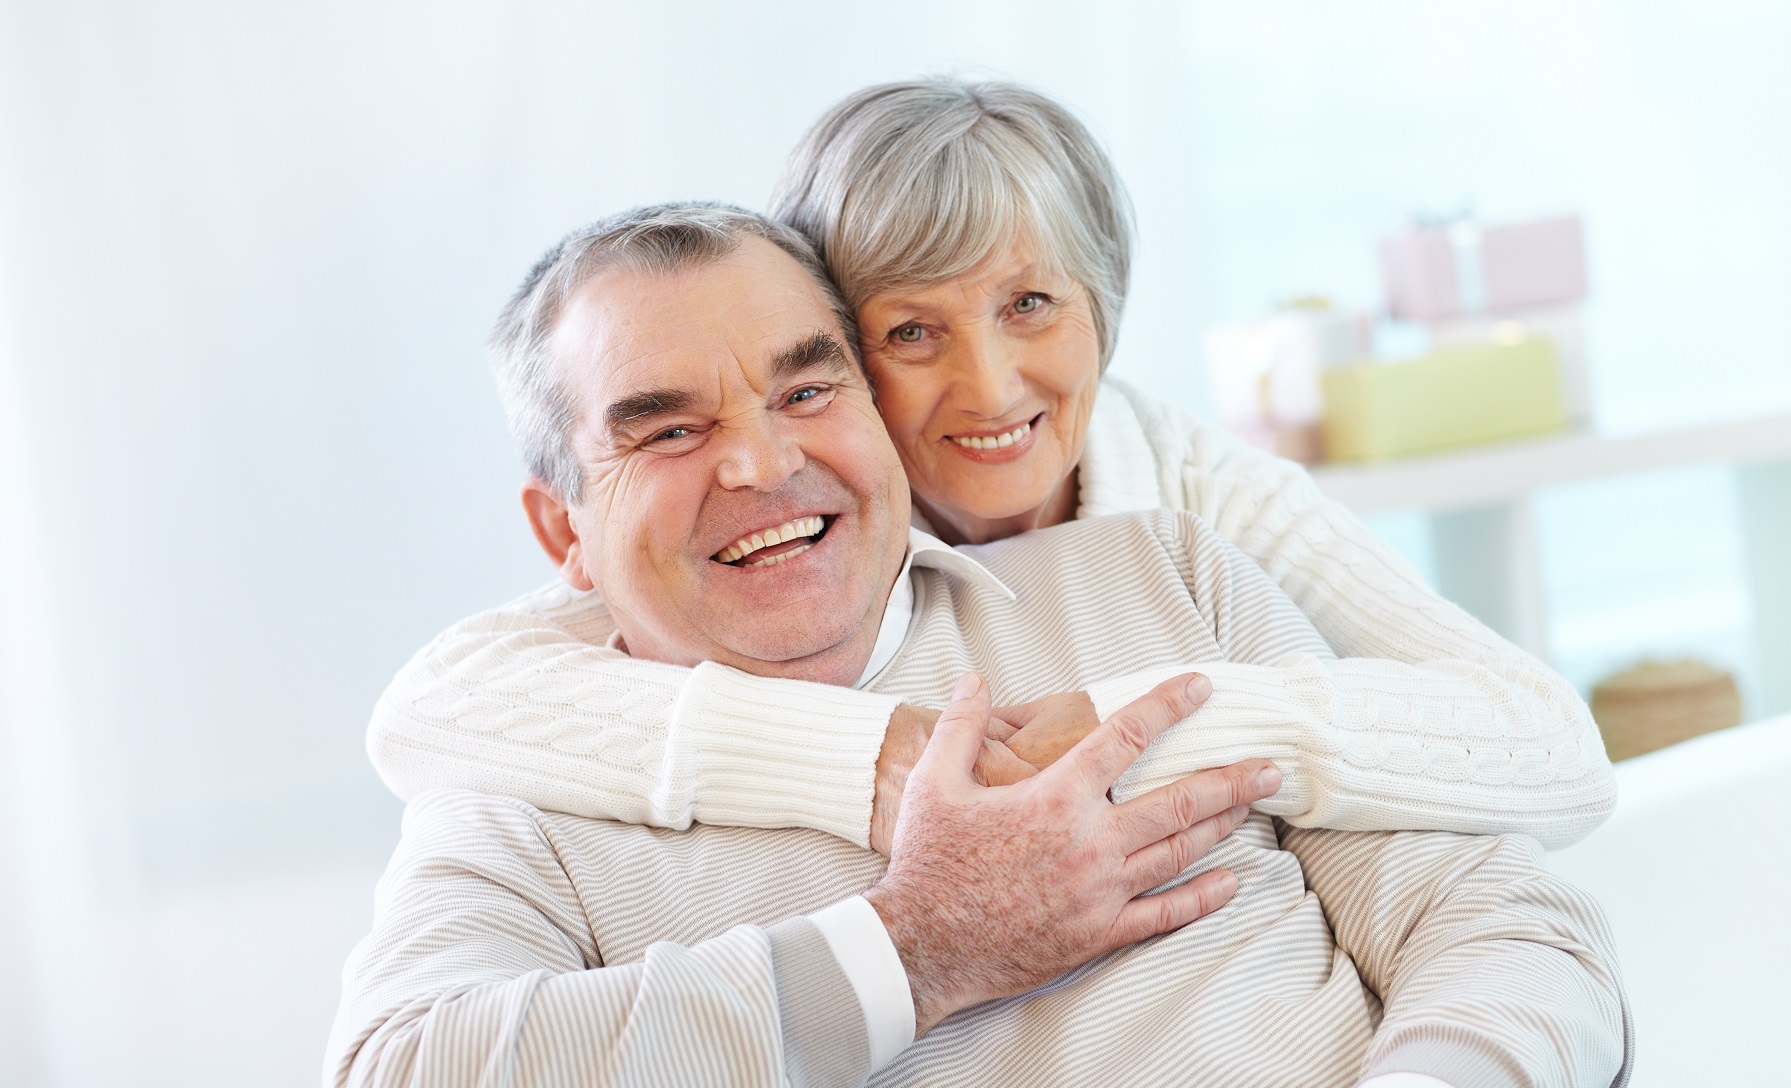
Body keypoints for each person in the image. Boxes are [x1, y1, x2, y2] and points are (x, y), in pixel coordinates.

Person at [329, 204, 1635, 1088]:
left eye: (804, 387)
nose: (758, 464)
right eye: (668, 428)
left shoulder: (1164, 573)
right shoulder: (525, 788)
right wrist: (918, 948)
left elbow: (1505, 923)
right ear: (561, 532)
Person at [365, 79, 1617, 863]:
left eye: (1031, 303)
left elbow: (1554, 743)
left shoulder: (1190, 487)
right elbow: (429, 708)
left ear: (1103, 308)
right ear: (835, 354)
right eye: (912, 332)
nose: (993, 386)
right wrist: (873, 759)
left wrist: (1163, 724)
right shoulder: (780, 532)